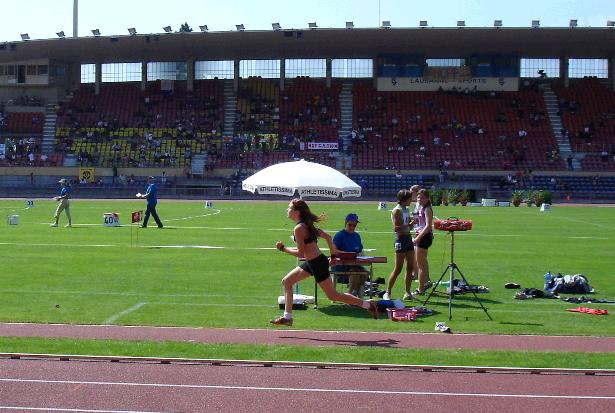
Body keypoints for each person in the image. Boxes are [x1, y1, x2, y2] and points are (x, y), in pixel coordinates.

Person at [271, 199, 379, 326]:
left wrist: (283, 248)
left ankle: (368, 305)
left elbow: (301, 253)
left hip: (317, 263)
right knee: (287, 281)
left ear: (297, 211)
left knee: (333, 296)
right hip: (313, 262)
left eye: (289, 207)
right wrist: (332, 256)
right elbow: (327, 237)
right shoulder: (306, 225)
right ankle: (287, 317)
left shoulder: (299, 228)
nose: (287, 209)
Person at [383, 190, 416, 301]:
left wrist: (412, 224)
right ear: (404, 199)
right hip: (401, 239)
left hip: (408, 238)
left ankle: (407, 292)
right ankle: (387, 292)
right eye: (410, 198)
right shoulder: (397, 210)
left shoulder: (406, 209)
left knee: (410, 266)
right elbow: (396, 228)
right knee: (398, 268)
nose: (411, 200)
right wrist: (410, 224)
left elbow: (408, 226)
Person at [332, 213, 367, 297]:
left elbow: (360, 251)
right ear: (346, 223)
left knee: (365, 273)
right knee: (355, 272)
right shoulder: (339, 235)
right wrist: (346, 254)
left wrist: (361, 257)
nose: (352, 227)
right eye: (350, 225)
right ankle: (350, 295)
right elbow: (334, 250)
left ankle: (354, 292)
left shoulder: (357, 236)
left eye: (354, 225)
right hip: (340, 266)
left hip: (355, 265)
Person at [412, 189, 434, 295]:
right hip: (422, 235)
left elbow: (428, 225)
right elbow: (422, 223)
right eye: (418, 197)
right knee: (422, 263)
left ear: (427, 198)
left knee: (420, 265)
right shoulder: (422, 207)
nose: (419, 199)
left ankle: (421, 289)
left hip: (423, 237)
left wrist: (418, 238)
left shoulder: (427, 209)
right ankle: (426, 283)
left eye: (422, 197)